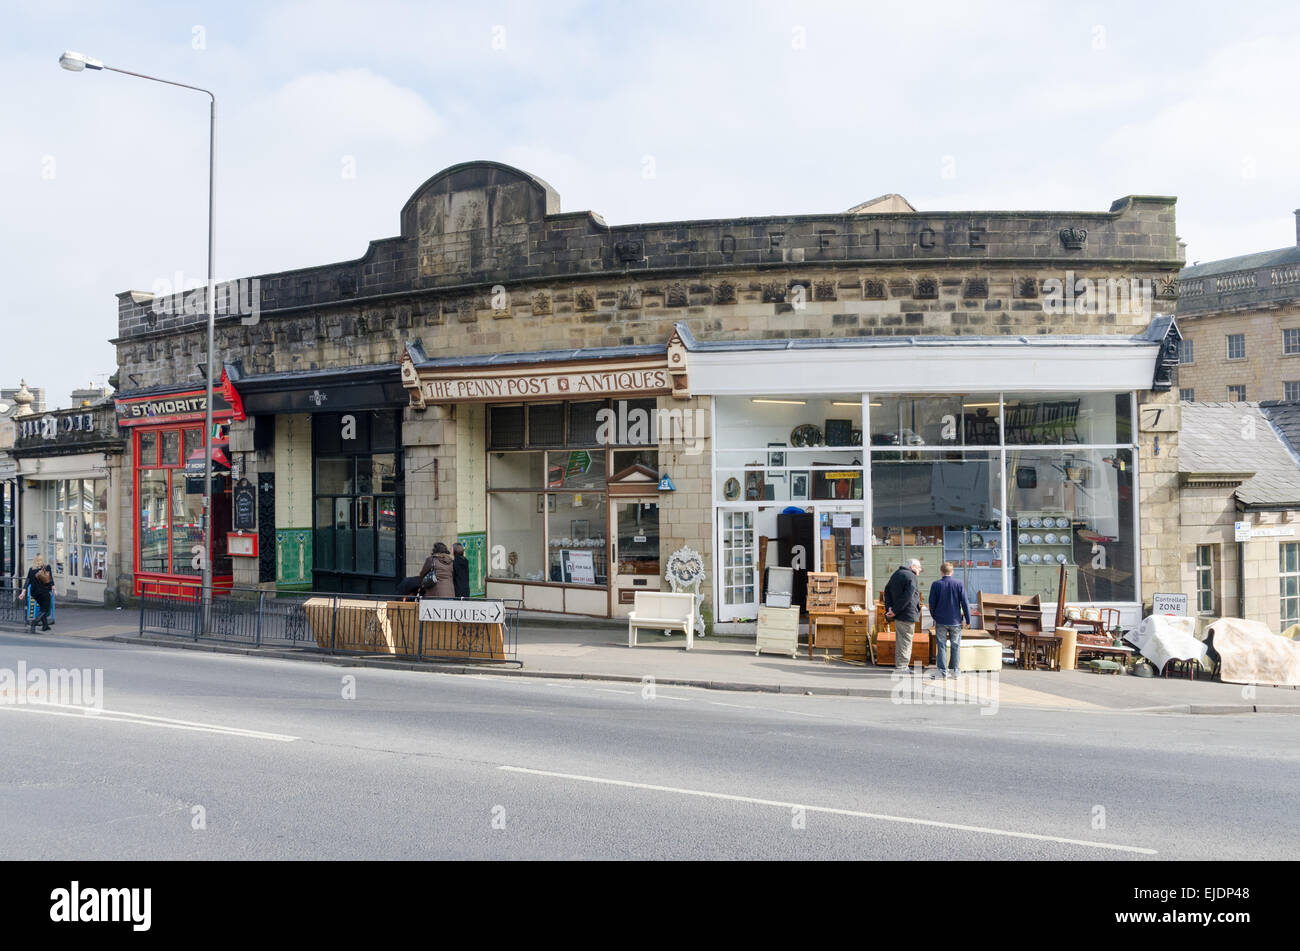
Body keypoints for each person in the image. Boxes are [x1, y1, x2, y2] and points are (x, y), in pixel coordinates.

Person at [928, 562, 971, 679]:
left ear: (941, 571)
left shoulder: (936, 584)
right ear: (952, 572)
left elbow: (931, 603)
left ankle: (942, 672)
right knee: (955, 646)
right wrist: (968, 619)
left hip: (941, 620)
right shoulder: (959, 584)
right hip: (955, 621)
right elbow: (965, 603)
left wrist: (935, 616)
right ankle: (955, 671)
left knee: (941, 645)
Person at [882, 558, 922, 670]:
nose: (920, 570)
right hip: (906, 613)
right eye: (919, 567)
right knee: (906, 641)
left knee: (901, 640)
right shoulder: (911, 576)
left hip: (898, 614)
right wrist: (893, 610)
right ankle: (902, 666)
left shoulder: (896, 574)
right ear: (912, 567)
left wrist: (889, 608)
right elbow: (907, 597)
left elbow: (887, 591)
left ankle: (900, 664)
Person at [25, 555, 54, 633]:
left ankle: (45, 626)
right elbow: (50, 579)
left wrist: (23, 591)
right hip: (44, 592)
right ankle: (34, 622)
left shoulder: (31, 569)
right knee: (45, 609)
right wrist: (53, 587)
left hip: (34, 593)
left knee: (42, 608)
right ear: (42, 560)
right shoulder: (47, 567)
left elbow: (28, 581)